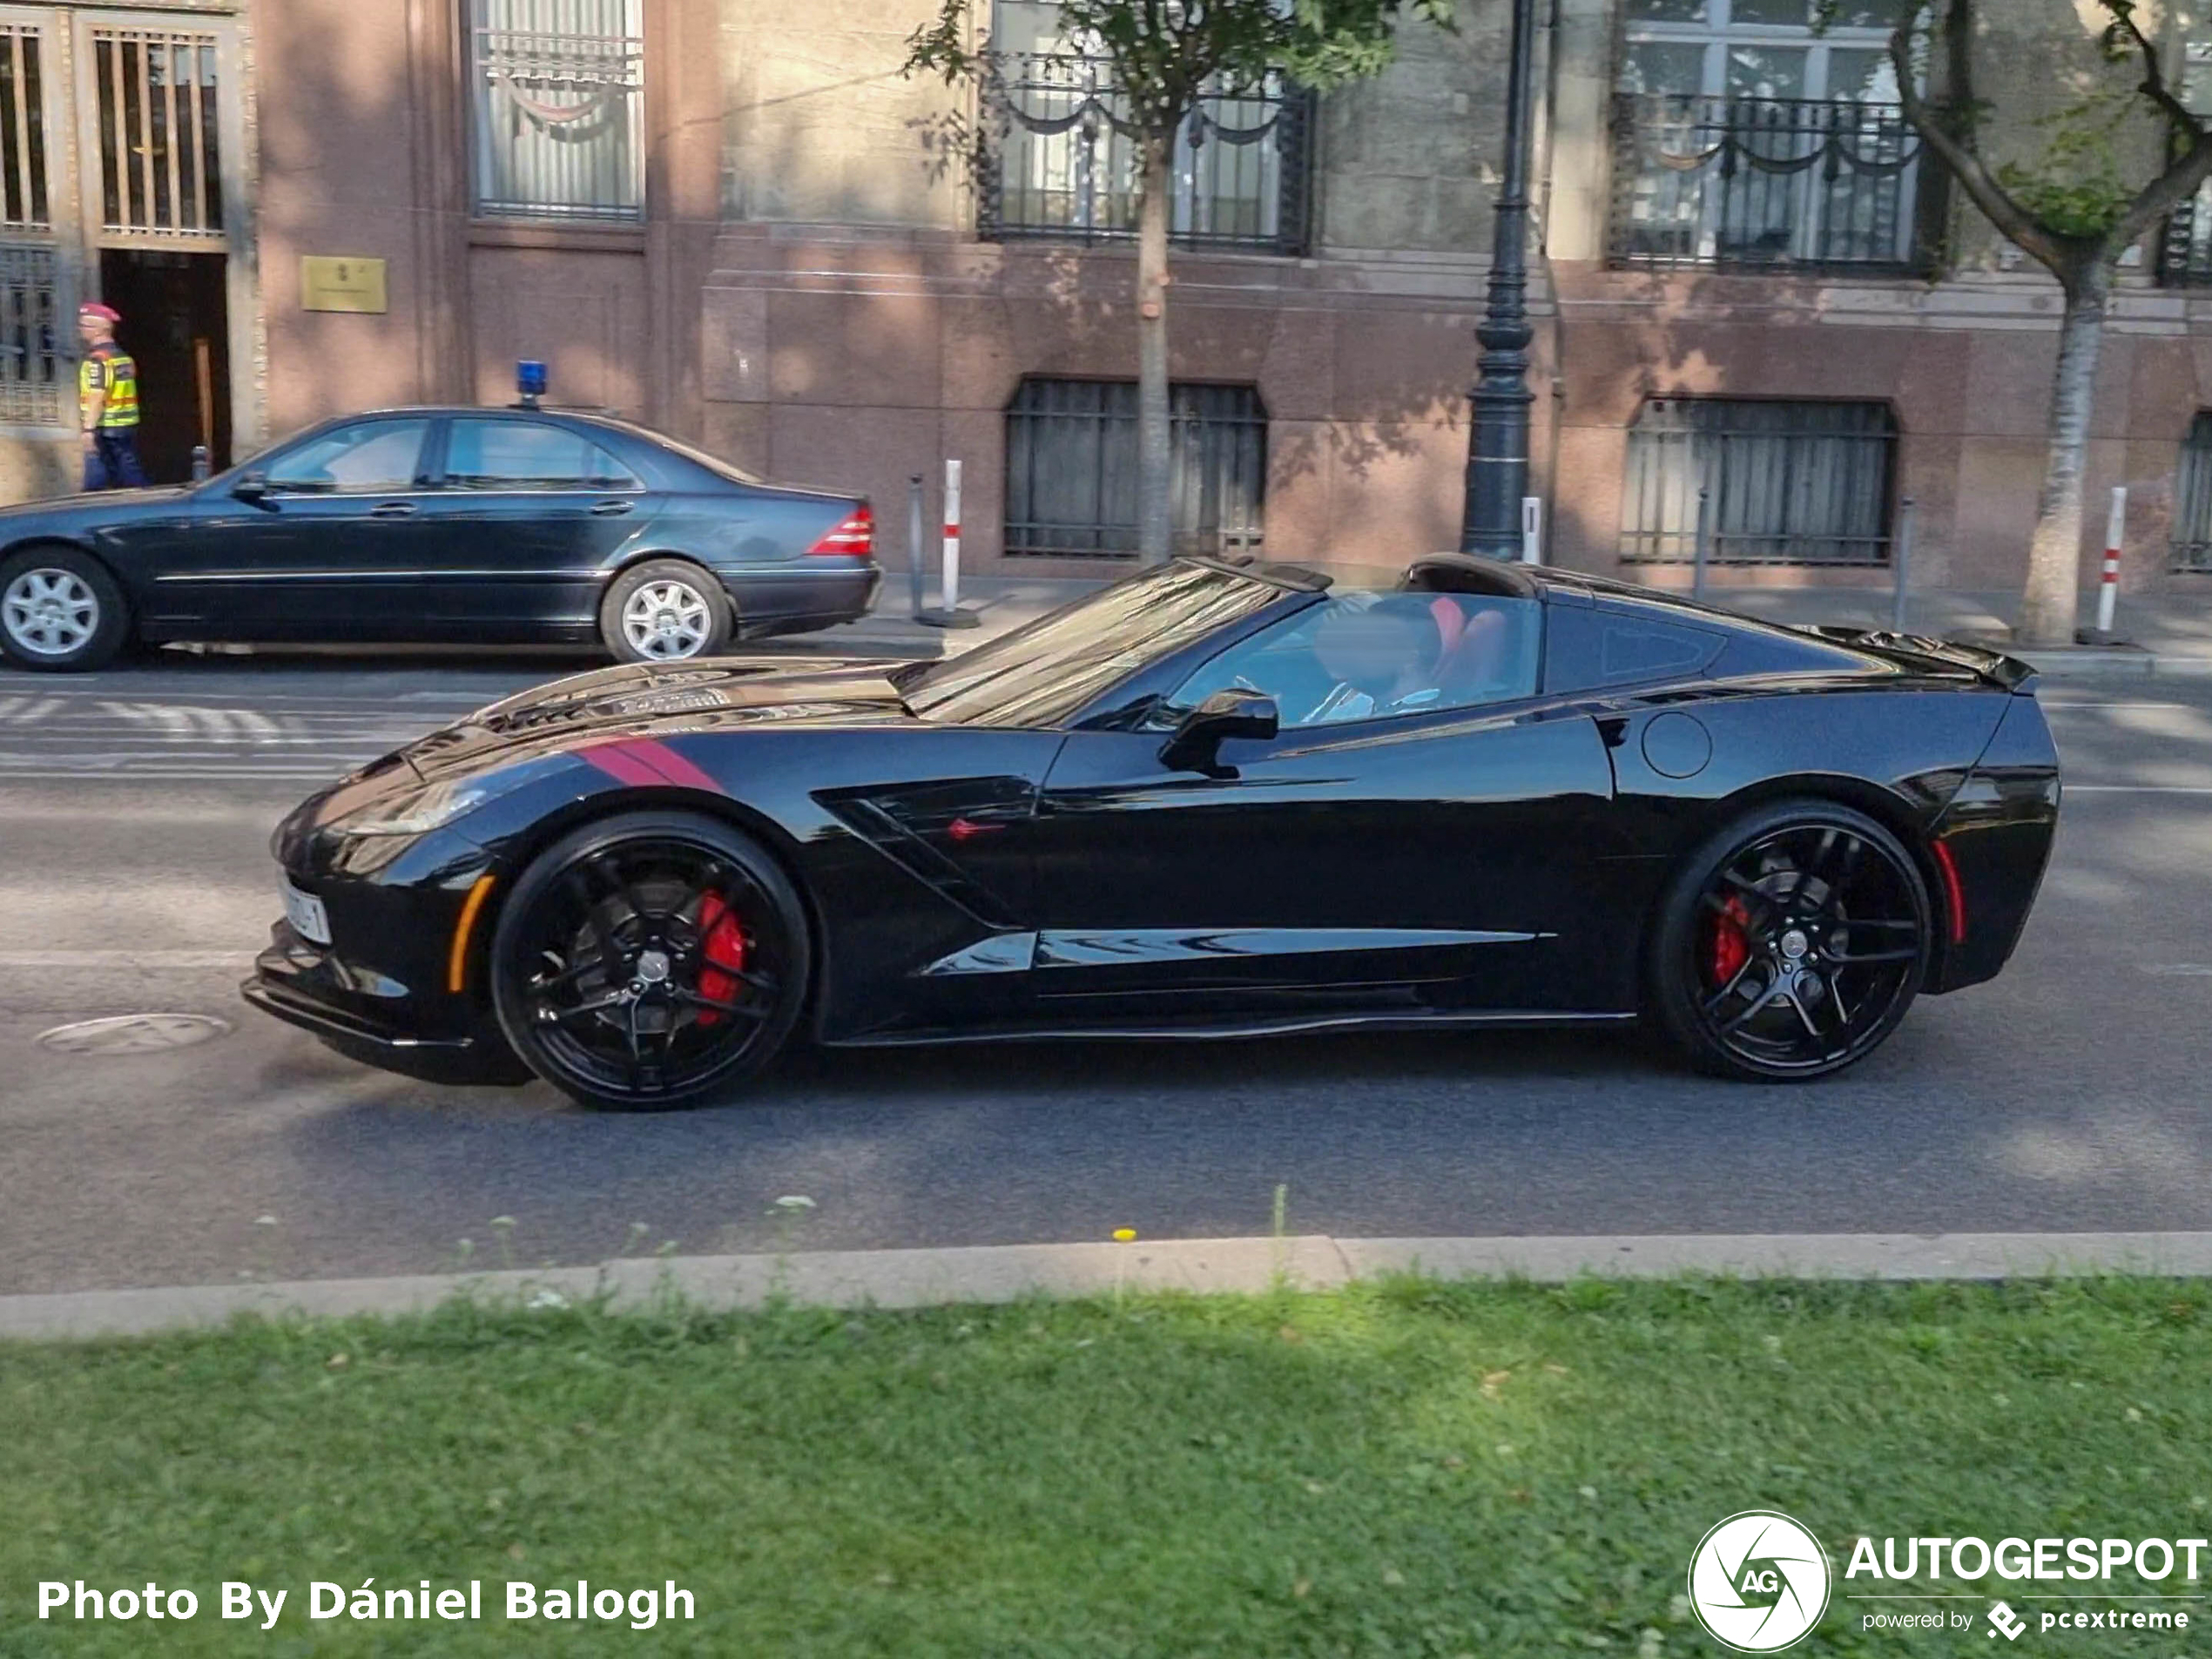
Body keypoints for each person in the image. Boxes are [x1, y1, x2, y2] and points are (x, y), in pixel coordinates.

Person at [77, 301, 146, 491]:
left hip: (106, 429)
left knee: (96, 483)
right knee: (128, 475)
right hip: (125, 427)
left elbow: (98, 395)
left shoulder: (99, 360)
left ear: (99, 330)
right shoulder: (122, 357)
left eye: (84, 326)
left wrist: (88, 430)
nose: (81, 330)